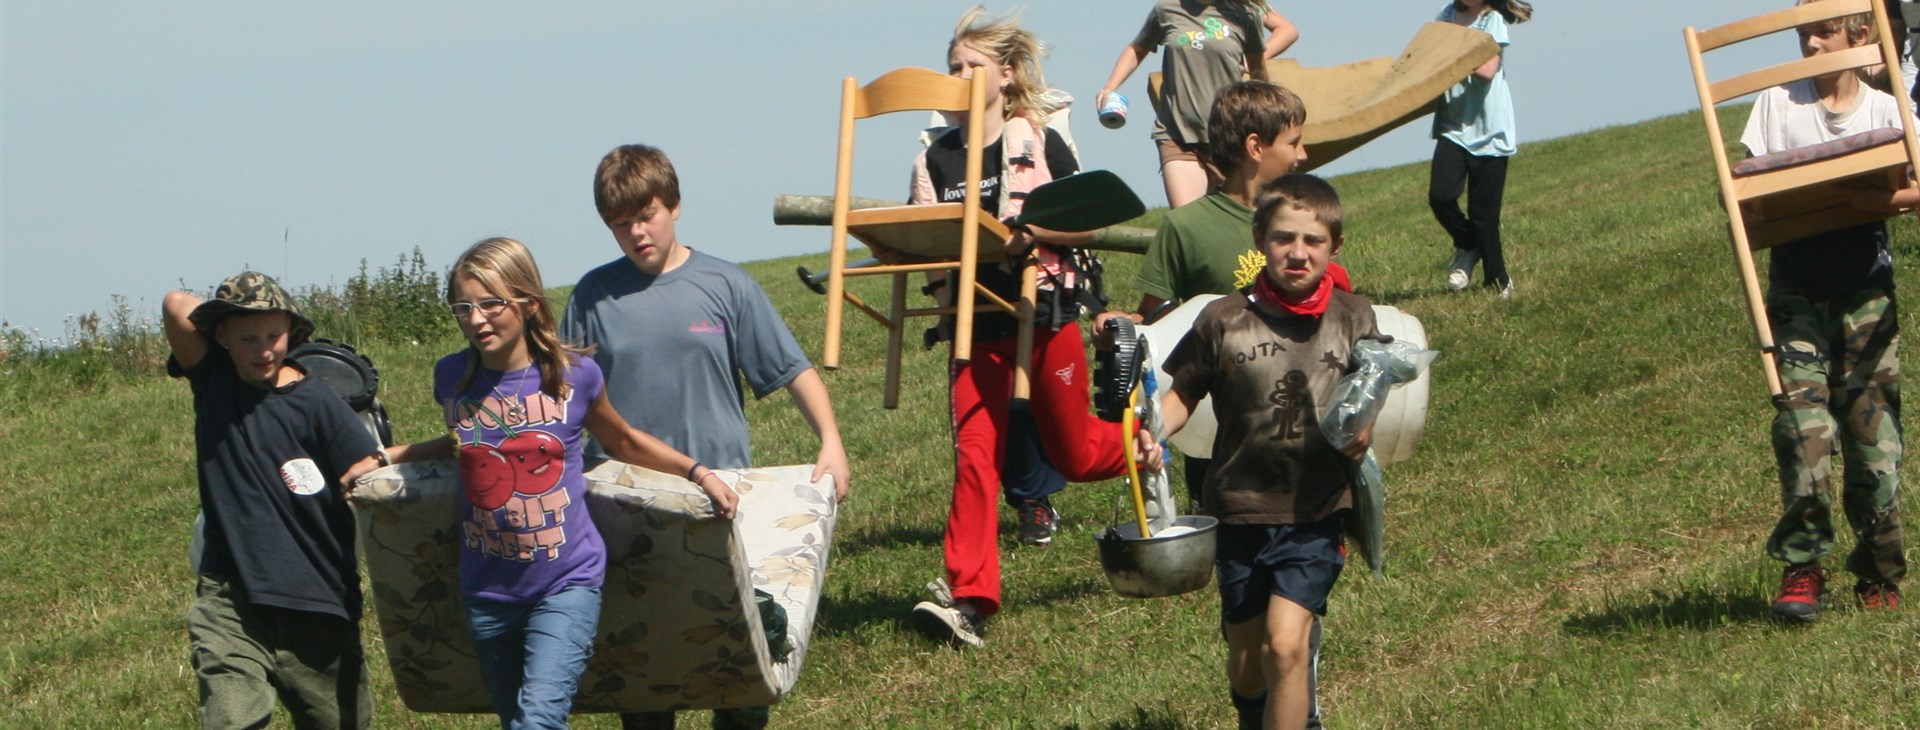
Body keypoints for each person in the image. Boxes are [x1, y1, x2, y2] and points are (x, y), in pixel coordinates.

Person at [343, 237, 739, 729]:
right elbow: (468, 443)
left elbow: (622, 440)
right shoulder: (452, 377)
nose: (476, 319)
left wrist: (698, 472)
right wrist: (387, 456)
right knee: (518, 721)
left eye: (492, 304)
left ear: (529, 303)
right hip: (487, 589)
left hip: (565, 580)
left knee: (538, 720)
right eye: (463, 307)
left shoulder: (574, 376)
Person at [559, 143, 850, 730]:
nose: (637, 233)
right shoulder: (593, 296)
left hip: (719, 494)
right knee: (645, 669)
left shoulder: (726, 284)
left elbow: (791, 369)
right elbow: (560, 398)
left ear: (674, 206)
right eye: (621, 223)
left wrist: (831, 440)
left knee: (737, 663)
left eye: (647, 216)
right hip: (627, 500)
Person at [1096, 80, 1332, 730]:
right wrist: (1121, 335)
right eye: (1293, 141)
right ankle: (1256, 705)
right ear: (1256, 147)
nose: (1304, 154)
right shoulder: (1187, 228)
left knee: (1291, 634)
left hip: (1303, 460)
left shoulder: (1304, 223)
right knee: (1245, 638)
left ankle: (1301, 705)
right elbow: (1158, 328)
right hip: (1223, 460)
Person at [902, 5, 1135, 648]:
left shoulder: (1039, 140)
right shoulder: (935, 160)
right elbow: (924, 237)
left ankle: (1147, 443)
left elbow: (1086, 220)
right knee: (975, 459)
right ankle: (969, 599)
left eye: (971, 66)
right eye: (952, 67)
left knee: (1076, 454)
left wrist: (1036, 234)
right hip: (973, 331)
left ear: (1006, 75)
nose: (959, 77)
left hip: (1045, 319)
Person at [1137, 174, 1374, 730]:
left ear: (1335, 246)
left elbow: (1372, 388)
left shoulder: (1354, 317)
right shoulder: (1223, 319)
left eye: (1313, 241)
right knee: (1248, 664)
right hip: (1238, 507)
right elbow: (1183, 395)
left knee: (1285, 648)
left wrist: (1364, 424)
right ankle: (1253, 714)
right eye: (1283, 238)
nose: (1298, 252)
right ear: (1260, 240)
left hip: (1316, 509)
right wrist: (1154, 434)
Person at [1739, 0, 1911, 622]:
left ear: (1858, 34)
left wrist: (1871, 199)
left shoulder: (1886, 108)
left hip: (1866, 295)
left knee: (1873, 441)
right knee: (1802, 429)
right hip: (1797, 293)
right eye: (1802, 35)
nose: (1810, 46)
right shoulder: (1776, 104)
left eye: (1823, 33)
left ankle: (1878, 572)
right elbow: (1744, 197)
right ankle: (1803, 567)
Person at [163, 271, 382, 728]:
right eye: (247, 338)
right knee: (231, 718)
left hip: (319, 601)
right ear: (221, 336)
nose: (263, 349)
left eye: (274, 335)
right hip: (232, 598)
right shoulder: (215, 382)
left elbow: (369, 470)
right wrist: (229, 314)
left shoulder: (318, 401)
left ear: (291, 333)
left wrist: (368, 474)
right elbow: (175, 304)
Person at [1098, 1, 1299, 208]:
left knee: (1238, 218)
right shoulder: (1166, 9)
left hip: (1229, 139)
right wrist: (1110, 87)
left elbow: (1258, 70)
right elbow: (1137, 49)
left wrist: (1267, 116)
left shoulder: (1246, 13)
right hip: (1178, 135)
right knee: (1187, 219)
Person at [1430, 0, 1530, 298]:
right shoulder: (1447, 15)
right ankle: (1468, 243)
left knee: (1483, 215)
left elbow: (1487, 70)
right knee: (1440, 196)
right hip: (1453, 126)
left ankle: (1498, 281)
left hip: (1490, 130)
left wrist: (1448, 58)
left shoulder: (1492, 21)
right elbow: (1426, 54)